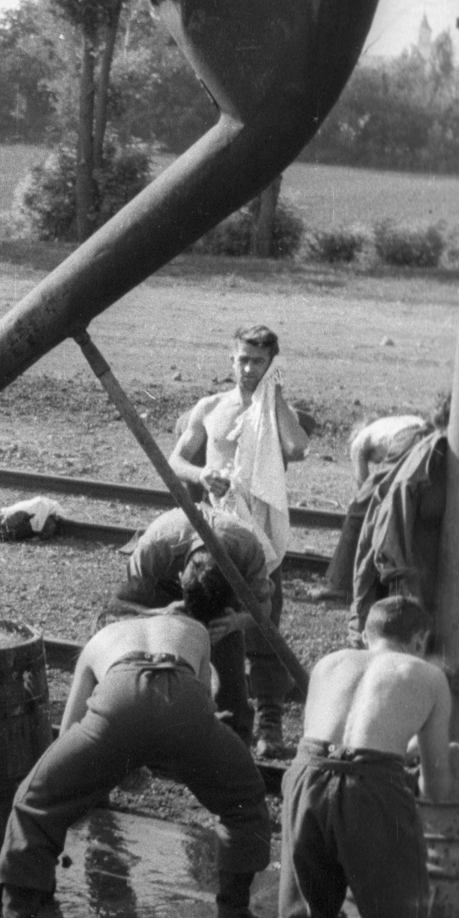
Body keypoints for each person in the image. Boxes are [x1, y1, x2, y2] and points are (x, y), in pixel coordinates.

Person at [0, 556, 272, 918]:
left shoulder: (97, 644)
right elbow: (198, 705)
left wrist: (113, 765)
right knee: (243, 798)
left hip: (120, 696)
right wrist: (162, 751)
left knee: (35, 801)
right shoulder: (193, 629)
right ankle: (232, 917)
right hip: (182, 694)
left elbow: (71, 725)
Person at [272, 595, 453, 918]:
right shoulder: (426, 674)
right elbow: (438, 789)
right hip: (374, 788)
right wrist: (424, 764)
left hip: (307, 778)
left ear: (367, 635)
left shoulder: (331, 662)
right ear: (419, 640)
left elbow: (335, 735)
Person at [169, 324, 310, 758]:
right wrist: (200, 474)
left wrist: (277, 395)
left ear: (271, 365)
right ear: (231, 359)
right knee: (210, 619)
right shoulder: (210, 407)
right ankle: (214, 715)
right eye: (242, 360)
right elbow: (175, 460)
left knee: (265, 627)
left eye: (258, 362)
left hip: (260, 537)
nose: (247, 369)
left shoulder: (275, 411)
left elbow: (297, 448)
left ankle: (270, 722)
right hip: (216, 529)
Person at [102, 504, 272, 748]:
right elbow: (118, 604)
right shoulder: (156, 546)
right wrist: (158, 613)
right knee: (154, 661)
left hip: (224, 605)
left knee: (229, 664)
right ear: (181, 574)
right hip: (161, 590)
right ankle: (153, 731)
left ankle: (234, 741)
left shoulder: (248, 550)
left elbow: (263, 610)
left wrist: (235, 621)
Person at [308, 395, 449, 608]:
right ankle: (381, 587)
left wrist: (366, 506)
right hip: (429, 438)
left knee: (358, 511)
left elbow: (362, 486)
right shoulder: (391, 424)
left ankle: (339, 586)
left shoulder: (359, 441)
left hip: (410, 439)